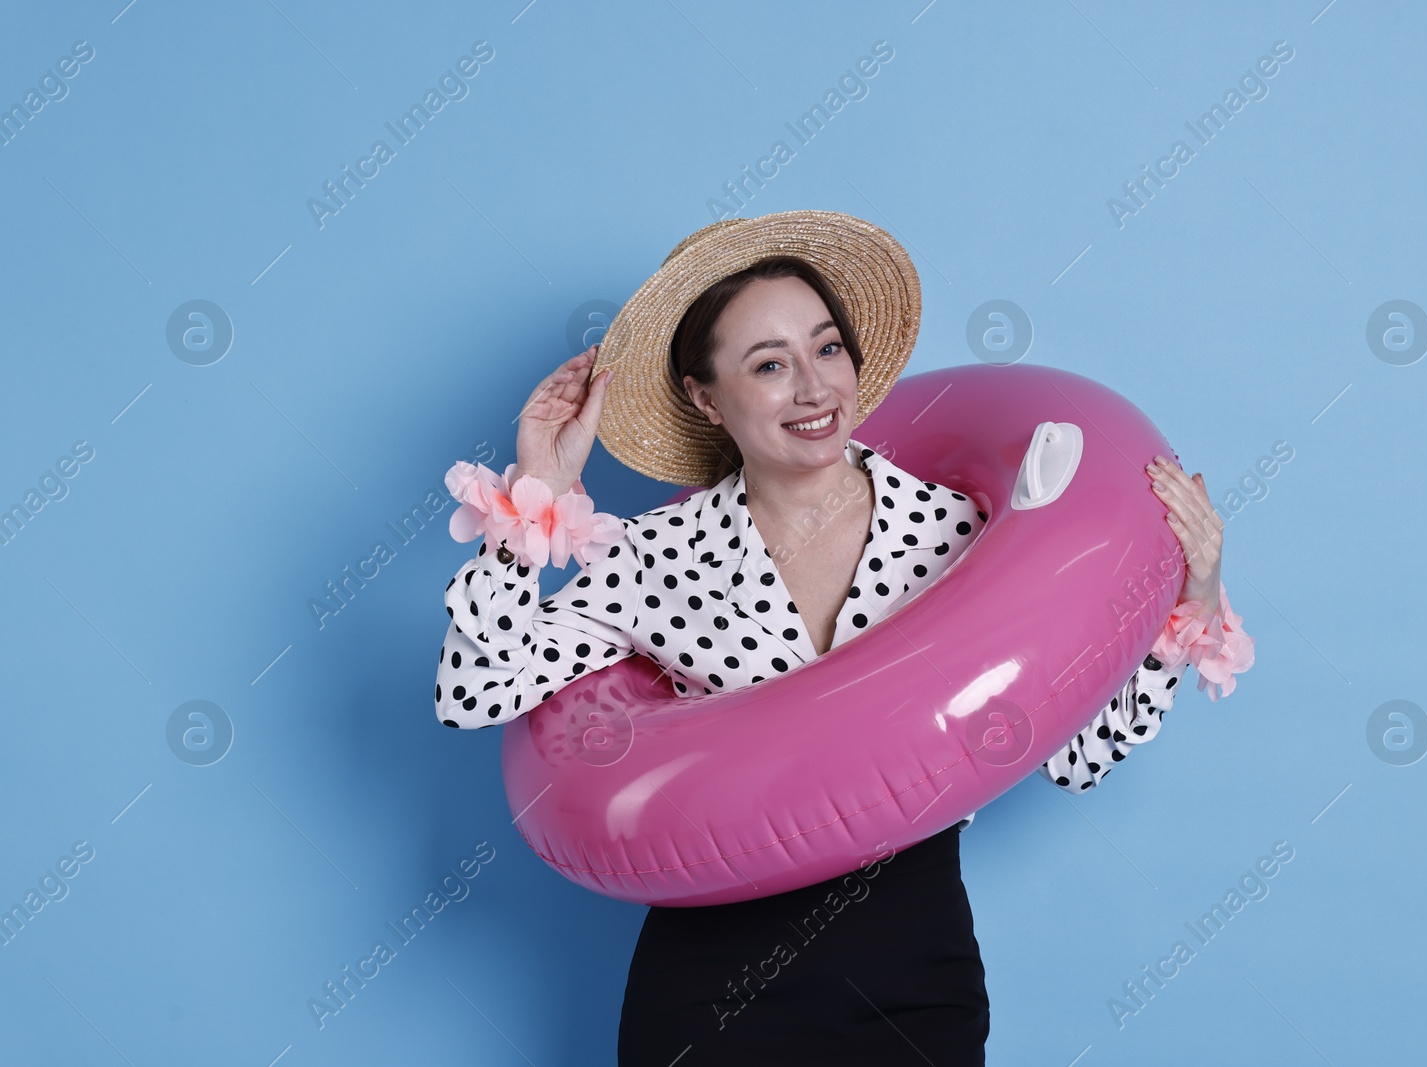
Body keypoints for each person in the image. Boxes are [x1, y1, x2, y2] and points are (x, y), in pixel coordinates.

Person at [432, 210, 1253, 1065]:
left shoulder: (959, 527)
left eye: (828, 349)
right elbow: (475, 692)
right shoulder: (652, 556)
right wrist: (536, 494)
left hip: (911, 973)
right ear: (706, 398)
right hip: (712, 987)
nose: (815, 388)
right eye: (769, 364)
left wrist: (1185, 606)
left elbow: (1075, 760)